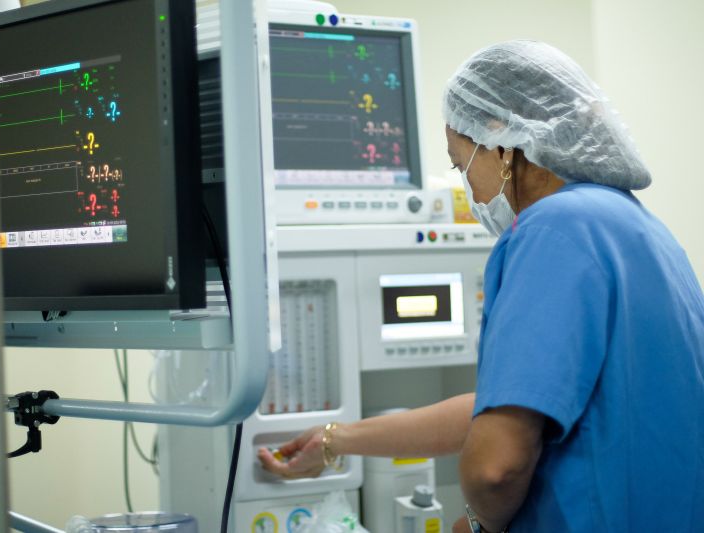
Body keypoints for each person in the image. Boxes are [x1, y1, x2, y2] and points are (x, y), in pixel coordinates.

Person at [258, 40, 704, 532]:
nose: (470, 190)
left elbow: (494, 466)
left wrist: (480, 522)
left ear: (501, 139)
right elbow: (506, 404)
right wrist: (333, 440)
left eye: (460, 163)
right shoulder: (639, 229)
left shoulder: (549, 230)